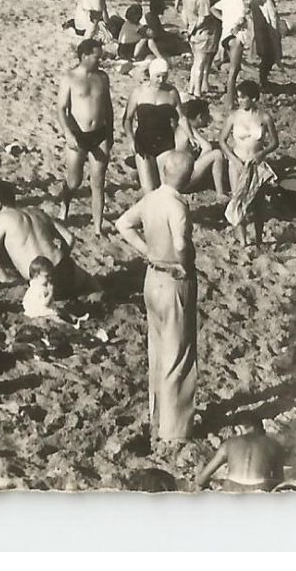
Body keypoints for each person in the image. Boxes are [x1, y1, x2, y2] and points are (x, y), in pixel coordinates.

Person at [113, 150, 198, 445]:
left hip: (152, 277)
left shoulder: (151, 198)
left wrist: (147, 251)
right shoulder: (177, 206)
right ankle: (173, 431)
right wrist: (184, 264)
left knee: (157, 350)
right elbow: (181, 243)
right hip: (174, 279)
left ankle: (157, 415)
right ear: (187, 177)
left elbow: (123, 224)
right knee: (178, 355)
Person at [0, 180, 83, 296]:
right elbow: (69, 238)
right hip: (67, 270)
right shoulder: (36, 212)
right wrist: (62, 259)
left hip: (44, 281)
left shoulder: (4, 218)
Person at [56, 39, 112, 233]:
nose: (100, 60)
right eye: (97, 57)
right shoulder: (69, 78)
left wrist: (110, 134)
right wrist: (67, 133)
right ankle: (65, 202)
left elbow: (108, 108)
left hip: (100, 134)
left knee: (98, 183)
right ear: (84, 56)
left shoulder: (103, 77)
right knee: (74, 181)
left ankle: (97, 227)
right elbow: (62, 109)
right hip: (77, 135)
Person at [220, 80, 279, 250]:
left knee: (257, 203)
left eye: (243, 97)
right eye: (238, 97)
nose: (239, 101)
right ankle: (243, 240)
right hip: (237, 162)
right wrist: (233, 159)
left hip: (256, 163)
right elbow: (222, 141)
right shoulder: (233, 117)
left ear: (253, 98)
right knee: (237, 200)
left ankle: (259, 239)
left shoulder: (264, 117)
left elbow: (275, 142)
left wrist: (262, 153)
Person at [124, 58, 182, 192]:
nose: (161, 80)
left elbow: (181, 117)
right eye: (158, 76)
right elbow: (127, 119)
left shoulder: (172, 93)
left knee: (164, 187)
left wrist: (191, 136)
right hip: (143, 143)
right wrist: (130, 139)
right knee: (149, 189)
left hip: (165, 143)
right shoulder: (138, 92)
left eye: (164, 77)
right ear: (150, 75)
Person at [193, 421, 286, 491]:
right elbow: (279, 482)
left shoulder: (229, 443)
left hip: (232, 489)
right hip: (260, 489)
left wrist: (214, 483)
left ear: (240, 428)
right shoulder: (274, 445)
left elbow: (201, 479)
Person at [174, 97, 230, 198]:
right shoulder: (189, 129)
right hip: (183, 182)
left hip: (172, 178)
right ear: (200, 117)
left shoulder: (179, 127)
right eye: (207, 115)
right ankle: (220, 193)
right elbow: (207, 147)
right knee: (217, 154)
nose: (208, 119)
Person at [215, 0, 254, 113]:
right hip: (235, 39)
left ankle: (230, 98)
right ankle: (230, 103)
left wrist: (223, 19)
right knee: (234, 71)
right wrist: (238, 26)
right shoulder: (240, 3)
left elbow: (213, 9)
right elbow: (242, 20)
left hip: (225, 37)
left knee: (233, 69)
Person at [249, 0, 283, 91]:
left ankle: (263, 80)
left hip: (259, 29)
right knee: (270, 57)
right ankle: (263, 81)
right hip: (267, 31)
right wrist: (276, 33)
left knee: (265, 57)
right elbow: (272, 18)